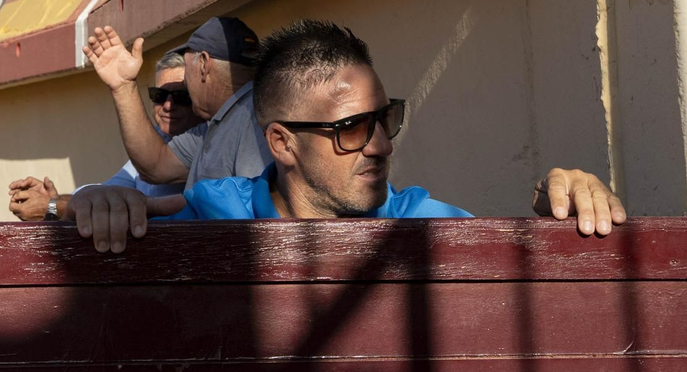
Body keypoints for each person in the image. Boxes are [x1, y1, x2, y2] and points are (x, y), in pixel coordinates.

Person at [68, 19, 629, 253]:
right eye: (351, 130)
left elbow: (509, 253)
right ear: (282, 143)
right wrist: (102, 201)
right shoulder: (215, 213)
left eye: (383, 120)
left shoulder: (415, 220)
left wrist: (562, 202)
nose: (381, 145)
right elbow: (140, 205)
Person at [84, 16, 268, 192]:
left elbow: (259, 215)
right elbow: (156, 166)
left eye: (187, 69)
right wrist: (123, 86)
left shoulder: (256, 119)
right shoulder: (214, 124)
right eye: (159, 95)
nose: (186, 82)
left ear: (204, 64)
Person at [9, 50, 197, 222]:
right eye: (159, 95)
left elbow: (132, 208)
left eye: (181, 97)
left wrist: (51, 207)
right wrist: (54, 199)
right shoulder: (159, 137)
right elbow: (108, 191)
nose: (167, 105)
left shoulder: (201, 142)